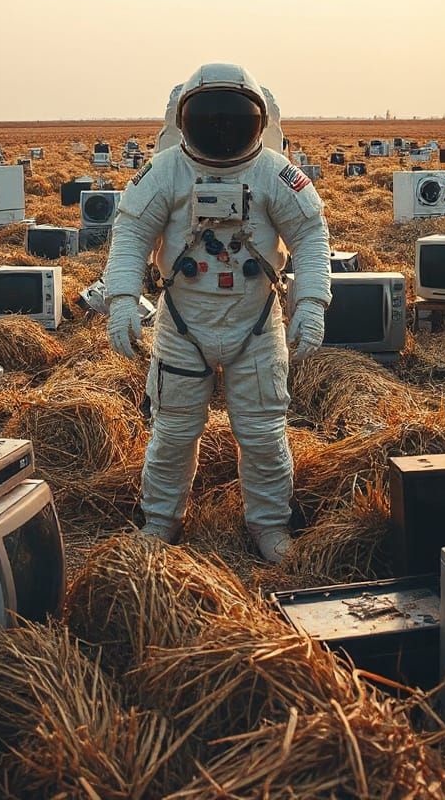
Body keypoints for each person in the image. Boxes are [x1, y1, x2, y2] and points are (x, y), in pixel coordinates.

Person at [103, 62, 331, 563]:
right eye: (212, 117)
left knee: (263, 434)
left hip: (255, 323)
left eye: (233, 117)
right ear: (185, 119)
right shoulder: (166, 171)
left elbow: (311, 236)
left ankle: (270, 526)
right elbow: (131, 235)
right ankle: (161, 521)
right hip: (183, 326)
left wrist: (311, 303)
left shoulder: (274, 173)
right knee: (174, 432)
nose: (223, 127)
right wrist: (120, 299)